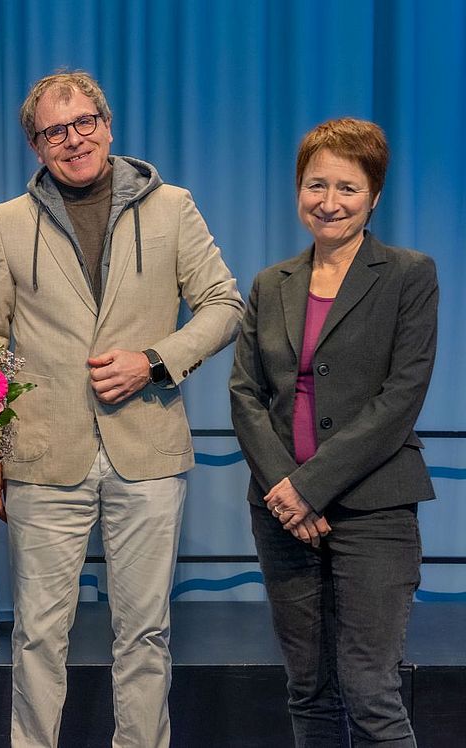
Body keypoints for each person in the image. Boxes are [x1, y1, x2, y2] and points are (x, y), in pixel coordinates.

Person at [0, 71, 243, 747]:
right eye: (54, 131)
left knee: (146, 633)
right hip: (41, 455)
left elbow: (224, 305)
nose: (73, 139)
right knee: (37, 636)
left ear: (108, 123)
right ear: (35, 146)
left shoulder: (173, 207)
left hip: (145, 450)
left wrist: (153, 358)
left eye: (84, 122)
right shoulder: (5, 224)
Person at [229, 118, 437, 747]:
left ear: (374, 196)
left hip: (374, 508)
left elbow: (400, 399)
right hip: (282, 513)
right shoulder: (272, 283)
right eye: (315, 185)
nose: (329, 201)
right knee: (310, 692)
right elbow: (246, 393)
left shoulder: (408, 274)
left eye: (347, 188)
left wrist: (309, 488)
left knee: (370, 690)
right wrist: (286, 491)